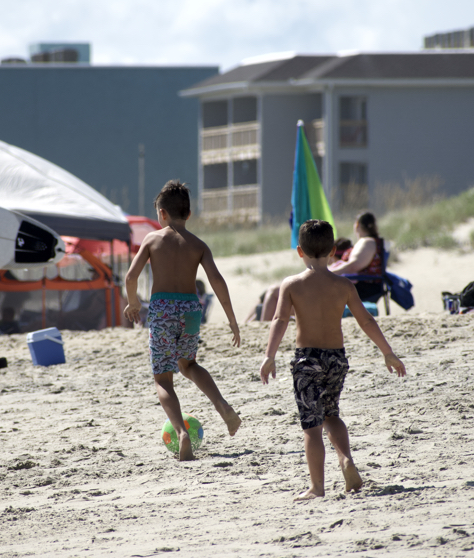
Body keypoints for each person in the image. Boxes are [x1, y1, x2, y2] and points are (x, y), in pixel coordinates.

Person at [259, 220, 406, 500]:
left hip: (307, 360)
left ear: (299, 251)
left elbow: (279, 320)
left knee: (312, 426)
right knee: (332, 414)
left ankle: (317, 487)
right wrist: (387, 352)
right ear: (333, 251)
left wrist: (269, 355)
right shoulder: (344, 285)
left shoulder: (291, 284)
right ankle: (346, 459)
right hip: (336, 359)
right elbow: (366, 320)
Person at [123, 180, 242, 461]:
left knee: (163, 379)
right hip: (190, 308)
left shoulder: (152, 240)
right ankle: (223, 407)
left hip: (163, 309)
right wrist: (232, 319)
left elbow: (130, 277)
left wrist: (133, 302)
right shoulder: (199, 245)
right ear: (188, 214)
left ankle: (181, 433)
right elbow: (217, 281)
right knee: (189, 365)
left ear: (162, 213)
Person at [258, 212, 385, 321]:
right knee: (274, 295)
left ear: (357, 225)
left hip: (354, 289)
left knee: (274, 292)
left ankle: (263, 328)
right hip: (350, 286)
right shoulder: (372, 242)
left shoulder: (366, 242)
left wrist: (324, 273)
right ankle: (259, 322)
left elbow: (353, 266)